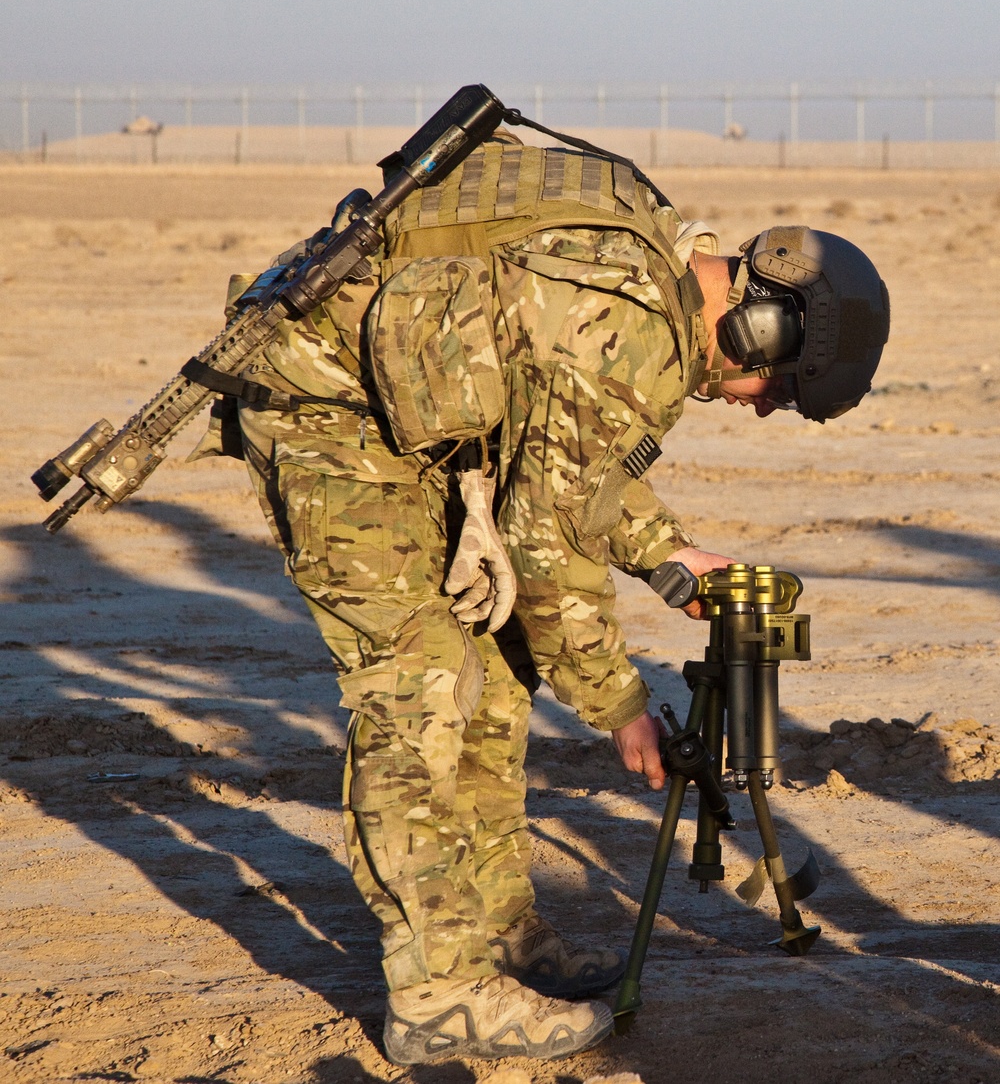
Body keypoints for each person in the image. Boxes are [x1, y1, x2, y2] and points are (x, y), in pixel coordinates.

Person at [218, 134, 889, 1065]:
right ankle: (437, 996)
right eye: (776, 386)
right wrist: (620, 711)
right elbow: (546, 544)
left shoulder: (647, 273)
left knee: (497, 670)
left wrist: (669, 551)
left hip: (403, 418)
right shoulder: (630, 329)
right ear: (760, 330)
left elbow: (571, 470)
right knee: (417, 685)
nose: (759, 404)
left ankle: (497, 931)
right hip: (325, 412)